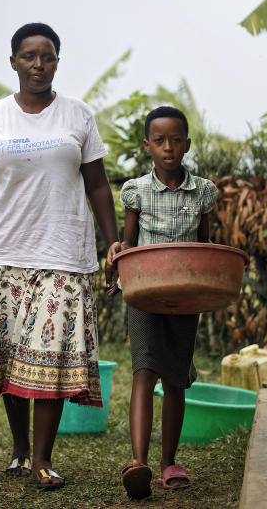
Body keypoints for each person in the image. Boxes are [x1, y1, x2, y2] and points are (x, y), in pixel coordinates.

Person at [0, 22, 119, 491]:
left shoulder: (78, 116)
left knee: (48, 355)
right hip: (2, 254)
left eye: (47, 56)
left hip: (64, 255)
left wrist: (114, 244)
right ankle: (20, 450)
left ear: (57, 62)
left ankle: (43, 460)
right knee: (9, 361)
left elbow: (98, 185)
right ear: (13, 63)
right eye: (29, 56)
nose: (38, 65)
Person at [104, 105, 219, 500]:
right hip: (144, 294)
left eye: (175, 140)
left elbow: (205, 244)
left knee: (174, 379)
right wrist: (115, 263)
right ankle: (139, 462)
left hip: (185, 296)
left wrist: (214, 280)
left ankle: (169, 461)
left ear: (187, 144)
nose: (168, 147)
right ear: (147, 145)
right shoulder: (137, 190)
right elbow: (129, 243)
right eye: (159, 140)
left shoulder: (203, 191)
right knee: (144, 371)